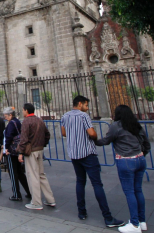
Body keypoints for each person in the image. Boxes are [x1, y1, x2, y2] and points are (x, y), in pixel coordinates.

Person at [61, 96, 124, 227]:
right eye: (86, 105)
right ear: (80, 104)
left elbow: (64, 133)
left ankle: (81, 212)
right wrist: (94, 135)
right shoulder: (84, 116)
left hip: (74, 154)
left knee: (80, 181)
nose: (87, 107)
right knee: (97, 184)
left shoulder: (65, 116)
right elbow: (92, 133)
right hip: (88, 154)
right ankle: (108, 218)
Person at [95, 105, 151, 233]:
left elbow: (106, 141)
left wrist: (93, 140)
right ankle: (142, 222)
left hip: (126, 161)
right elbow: (146, 143)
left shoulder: (116, 126)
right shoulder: (136, 125)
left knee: (130, 192)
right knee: (138, 191)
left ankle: (135, 224)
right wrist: (141, 154)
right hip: (140, 160)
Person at [16, 103, 54, 210]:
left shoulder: (26, 122)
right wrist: (42, 144)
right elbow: (47, 134)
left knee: (32, 176)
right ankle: (50, 199)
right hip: (40, 150)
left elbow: (23, 139)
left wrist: (20, 153)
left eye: (23, 110)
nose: (22, 112)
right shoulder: (39, 120)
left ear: (26, 111)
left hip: (31, 152)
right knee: (41, 175)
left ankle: (36, 202)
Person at [3, 106, 31, 201]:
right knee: (20, 172)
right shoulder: (17, 122)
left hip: (12, 150)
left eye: (6, 115)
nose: (5, 117)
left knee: (13, 173)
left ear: (10, 114)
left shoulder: (11, 124)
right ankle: (29, 191)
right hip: (18, 150)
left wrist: (6, 148)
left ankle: (16, 194)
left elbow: (8, 136)